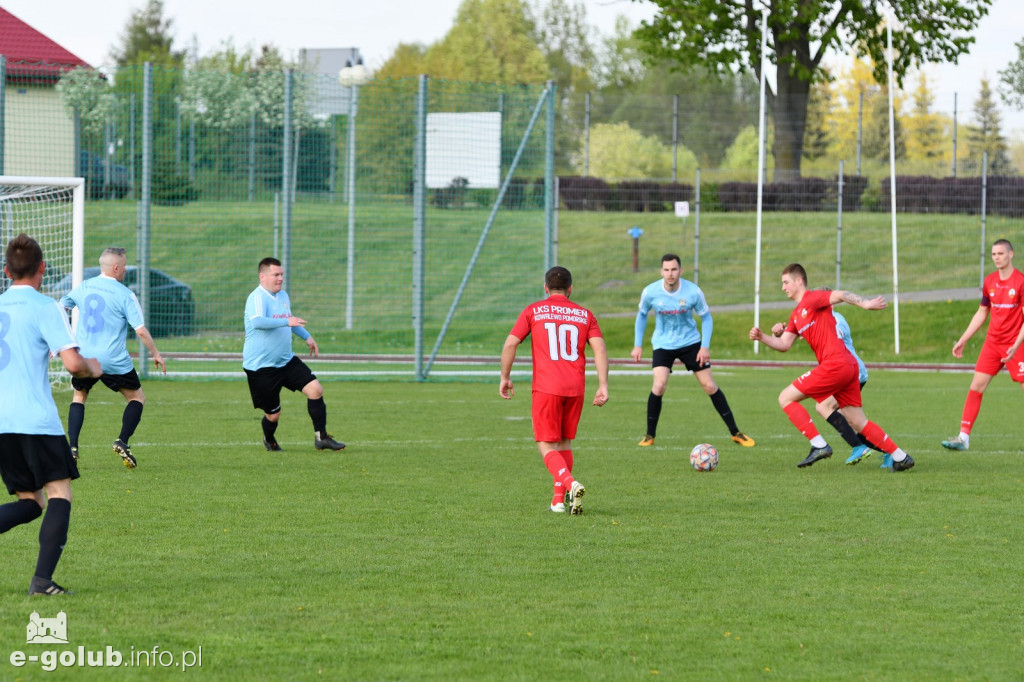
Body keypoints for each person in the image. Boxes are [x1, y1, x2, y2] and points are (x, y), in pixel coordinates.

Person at [0, 233, 102, 595]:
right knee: (59, 494)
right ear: (42, 268)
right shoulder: (46, 307)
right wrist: (94, 367)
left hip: (2, 423)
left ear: (6, 270)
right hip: (35, 421)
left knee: (31, 503)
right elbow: (73, 363)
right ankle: (42, 582)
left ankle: (43, 580)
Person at [750, 263, 914, 472]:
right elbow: (784, 344)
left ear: (799, 281)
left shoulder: (812, 298)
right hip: (848, 367)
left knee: (785, 397)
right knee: (857, 422)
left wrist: (865, 304)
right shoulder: (796, 315)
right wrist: (762, 337)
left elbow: (841, 294)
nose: (783, 287)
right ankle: (901, 456)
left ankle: (819, 444)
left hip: (835, 365)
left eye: (785, 282)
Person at [499, 266, 609, 514]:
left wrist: (505, 377)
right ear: (571, 289)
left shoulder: (533, 310)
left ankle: (570, 484)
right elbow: (599, 349)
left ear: (546, 288)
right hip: (575, 388)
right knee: (564, 442)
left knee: (546, 444)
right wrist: (603, 385)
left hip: (547, 387)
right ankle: (558, 501)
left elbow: (510, 344)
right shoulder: (585, 314)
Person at [631, 253, 754, 448]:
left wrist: (704, 346)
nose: (670, 274)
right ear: (661, 271)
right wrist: (638, 344)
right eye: (666, 270)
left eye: (674, 269)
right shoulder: (650, 292)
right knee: (659, 385)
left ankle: (736, 432)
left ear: (681, 270)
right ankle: (649, 435)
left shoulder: (693, 292)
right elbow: (642, 315)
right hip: (663, 344)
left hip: (691, 343)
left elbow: (707, 318)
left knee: (710, 386)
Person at [60, 248, 166, 469]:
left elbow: (61, 308)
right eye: (125, 267)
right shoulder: (125, 294)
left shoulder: (85, 286)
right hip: (112, 359)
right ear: (116, 268)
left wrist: (63, 340)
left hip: (84, 356)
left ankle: (73, 448)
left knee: (79, 396)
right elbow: (140, 331)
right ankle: (122, 441)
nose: (125, 271)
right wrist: (156, 353)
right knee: (137, 397)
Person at [243, 257, 345, 452]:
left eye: (282, 274)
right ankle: (269, 438)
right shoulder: (256, 297)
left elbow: (290, 321)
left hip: (286, 361)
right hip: (262, 367)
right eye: (276, 274)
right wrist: (286, 323)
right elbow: (258, 322)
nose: (280, 278)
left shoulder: (283, 296)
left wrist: (307, 337)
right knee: (273, 415)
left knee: (315, 390)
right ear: (262, 276)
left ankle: (321, 438)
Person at [772, 304, 882, 466]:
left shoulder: (836, 319)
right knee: (851, 420)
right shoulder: (818, 320)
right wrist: (780, 332)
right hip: (843, 372)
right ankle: (891, 453)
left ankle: (857, 447)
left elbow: (829, 334)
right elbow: (790, 338)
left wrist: (806, 330)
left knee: (824, 407)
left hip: (851, 372)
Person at [941, 239, 1024, 451]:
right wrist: (963, 339)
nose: (997, 257)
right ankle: (963, 438)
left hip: (1017, 344)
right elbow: (982, 312)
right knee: (976, 386)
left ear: (1011, 254)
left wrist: (1015, 346)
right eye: (994, 254)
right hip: (993, 344)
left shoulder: (1021, 281)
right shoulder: (989, 282)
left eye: (1001, 253)